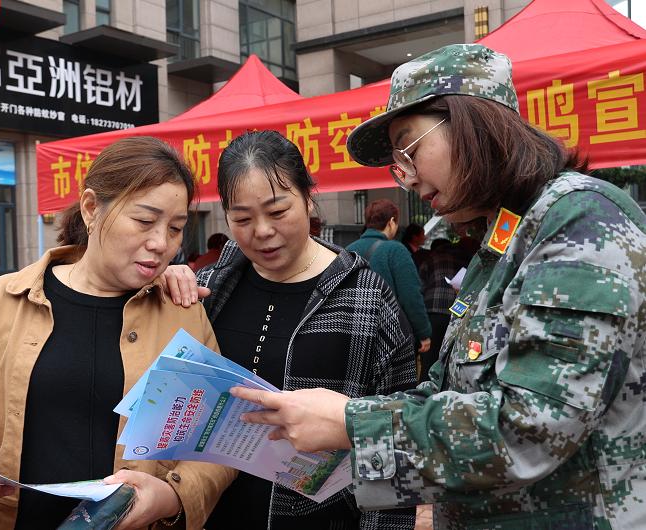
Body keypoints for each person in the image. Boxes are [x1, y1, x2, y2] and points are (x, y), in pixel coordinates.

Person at [226, 44, 646, 529]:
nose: (405, 178)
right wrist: (347, 417)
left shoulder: (579, 221)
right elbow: (455, 392)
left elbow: (532, 426)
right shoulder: (509, 237)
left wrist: (351, 423)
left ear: (472, 122)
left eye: (409, 149)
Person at [0, 137, 236, 529]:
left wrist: (171, 496)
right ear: (91, 209)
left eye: (176, 228)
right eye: (145, 221)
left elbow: (219, 438)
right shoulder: (0, 301)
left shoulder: (182, 316)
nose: (160, 243)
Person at [162, 130, 417, 530]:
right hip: (211, 513)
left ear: (308, 198)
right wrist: (160, 288)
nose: (261, 231)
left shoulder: (368, 301)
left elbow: (393, 448)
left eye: (278, 211)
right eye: (242, 219)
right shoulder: (208, 291)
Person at [346, 200, 431, 356]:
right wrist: (423, 332)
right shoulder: (396, 250)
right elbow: (410, 295)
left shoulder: (348, 250)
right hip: (391, 339)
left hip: (356, 336)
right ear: (391, 221)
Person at [416, 238, 468, 378]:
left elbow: (419, 286)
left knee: (430, 358)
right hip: (456, 313)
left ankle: (425, 390)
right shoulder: (463, 258)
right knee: (451, 356)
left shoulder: (430, 258)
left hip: (433, 311)